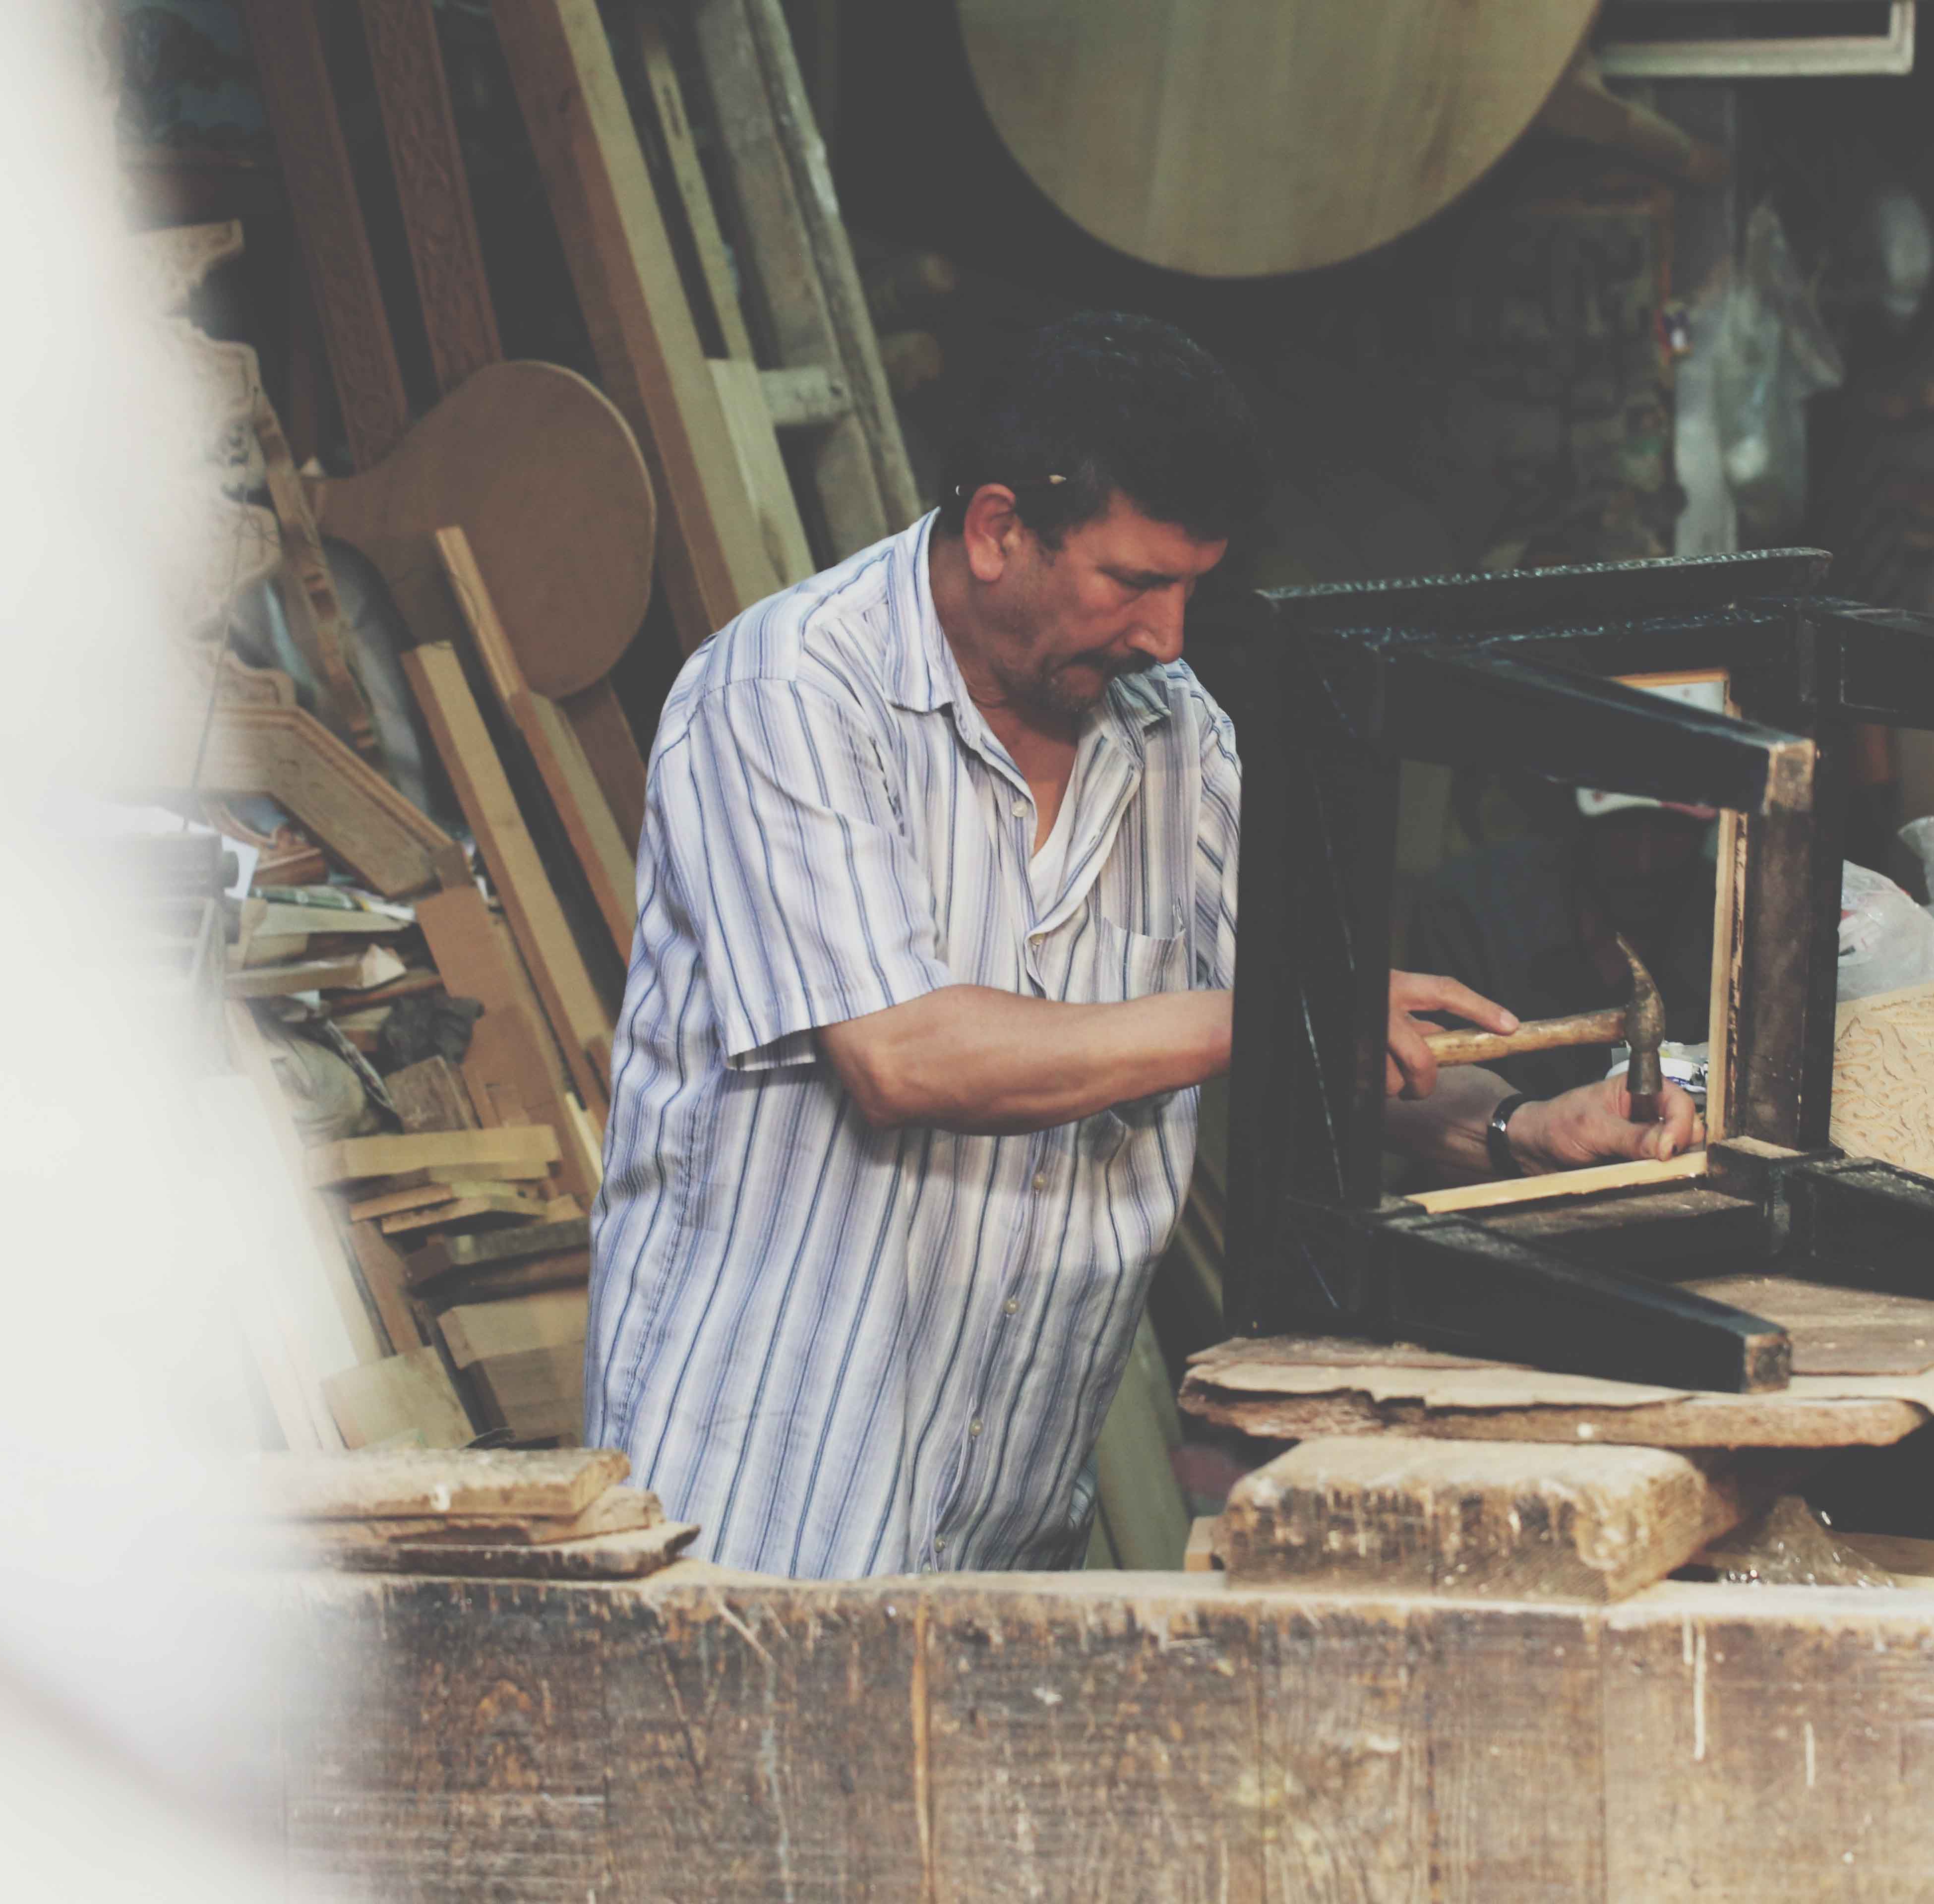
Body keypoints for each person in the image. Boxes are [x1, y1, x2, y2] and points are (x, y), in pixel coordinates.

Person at [588, 312, 1700, 1578]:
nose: (1168, 637)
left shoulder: (1176, 736)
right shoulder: (786, 694)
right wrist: (1281, 1002)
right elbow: (904, 1057)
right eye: (1132, 583)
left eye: (1192, 589)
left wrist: (1526, 1133)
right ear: (1000, 528)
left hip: (1011, 1514)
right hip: (762, 1504)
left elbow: (1312, 1034)